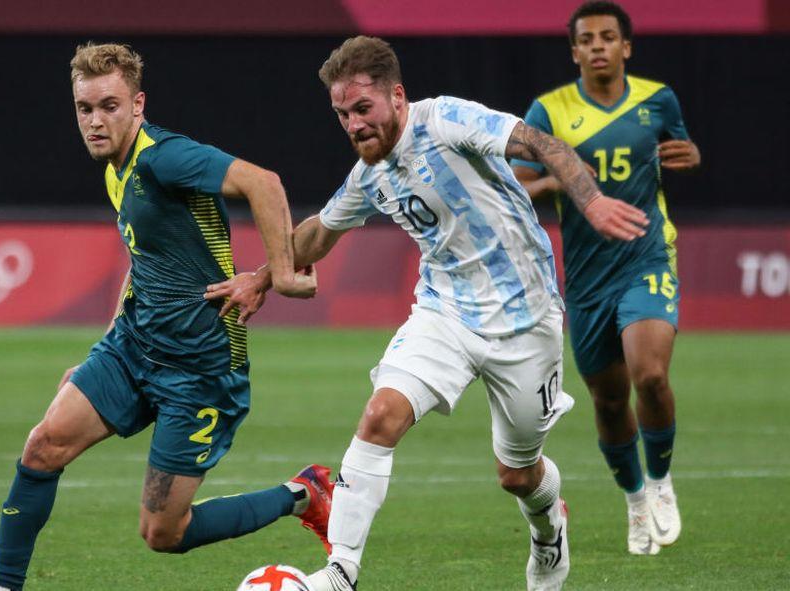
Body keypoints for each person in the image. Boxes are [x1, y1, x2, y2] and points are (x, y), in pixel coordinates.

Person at [207, 36, 648, 591]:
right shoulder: (370, 173)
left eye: (362, 108)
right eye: (342, 114)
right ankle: (341, 572)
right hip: (445, 313)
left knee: (517, 474)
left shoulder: (446, 121)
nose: (353, 124)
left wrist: (592, 200)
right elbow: (319, 232)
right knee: (380, 416)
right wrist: (260, 277)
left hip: (526, 322)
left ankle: (548, 527)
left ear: (397, 96)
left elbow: (542, 144)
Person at [0, 43, 332, 591]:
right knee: (42, 446)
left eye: (109, 106)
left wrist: (280, 275)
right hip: (132, 347)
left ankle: (302, 494)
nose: (95, 121)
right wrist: (99, 353)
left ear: (138, 104)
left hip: (199, 369)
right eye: (85, 108)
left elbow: (263, 182)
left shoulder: (163, 157)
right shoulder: (115, 169)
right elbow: (143, 261)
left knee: (163, 532)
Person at [512, 1, 701, 556]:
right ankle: (636, 499)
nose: (598, 46)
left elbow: (678, 151)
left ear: (626, 47)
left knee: (651, 376)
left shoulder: (658, 100)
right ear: (574, 51)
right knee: (611, 401)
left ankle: (661, 482)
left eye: (608, 37)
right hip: (588, 277)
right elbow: (514, 185)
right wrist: (556, 181)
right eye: (587, 39)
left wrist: (690, 154)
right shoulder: (549, 111)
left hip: (647, 258)